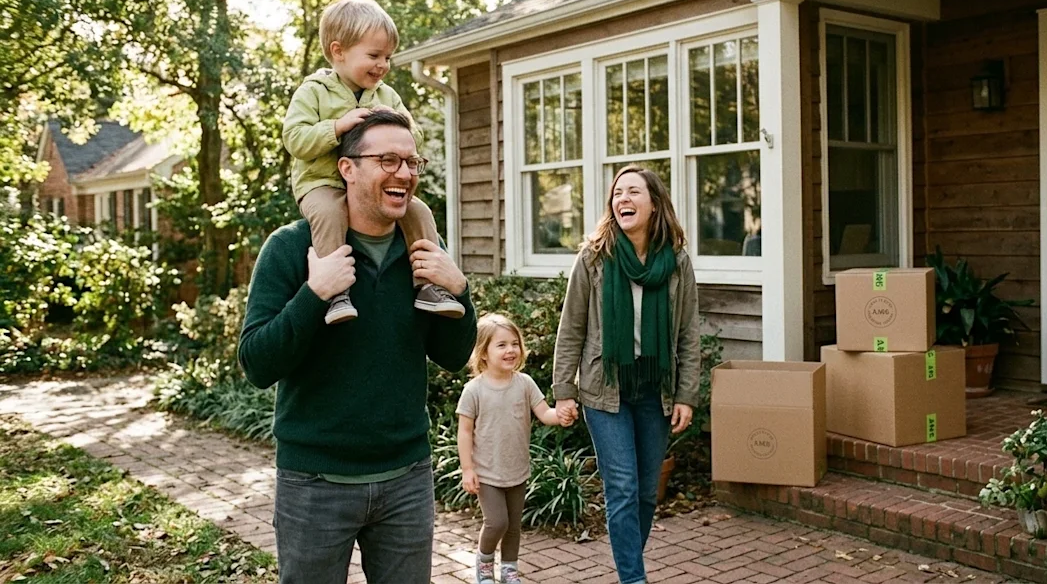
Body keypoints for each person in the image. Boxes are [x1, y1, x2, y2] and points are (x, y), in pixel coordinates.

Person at [239, 109, 477, 584]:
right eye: (388, 160)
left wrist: (460, 291)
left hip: (406, 478)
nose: (405, 174)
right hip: (314, 484)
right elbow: (258, 363)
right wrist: (315, 294)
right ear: (347, 169)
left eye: (412, 162)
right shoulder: (290, 248)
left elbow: (452, 357)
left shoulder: (423, 249)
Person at [552, 165, 702, 584]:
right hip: (606, 390)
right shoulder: (594, 258)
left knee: (645, 494)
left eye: (633, 192)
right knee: (621, 489)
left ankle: (629, 567)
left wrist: (687, 395)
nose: (623, 199)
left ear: (654, 204)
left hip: (656, 390)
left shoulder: (676, 263)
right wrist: (564, 389)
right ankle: (633, 579)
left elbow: (689, 334)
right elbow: (572, 328)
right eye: (617, 193)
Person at [282, 0, 464, 325]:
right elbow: (294, 139)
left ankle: (428, 286)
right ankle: (336, 293)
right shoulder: (314, 92)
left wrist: (396, 121)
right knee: (329, 213)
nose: (382, 65)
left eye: (388, 57)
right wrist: (336, 127)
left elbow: (415, 139)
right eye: (374, 55)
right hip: (322, 183)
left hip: (374, 188)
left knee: (418, 209)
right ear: (338, 52)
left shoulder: (387, 95)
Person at [456, 313, 572, 584]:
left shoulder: (525, 383)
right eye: (501, 345)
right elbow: (464, 432)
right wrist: (467, 469)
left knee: (513, 527)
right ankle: (484, 565)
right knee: (497, 522)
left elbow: (545, 413)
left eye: (514, 343)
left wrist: (562, 415)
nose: (510, 350)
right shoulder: (474, 390)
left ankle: (509, 570)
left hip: (517, 470)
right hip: (487, 473)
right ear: (483, 353)